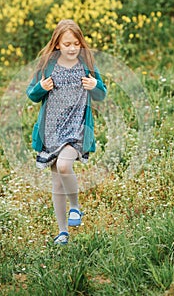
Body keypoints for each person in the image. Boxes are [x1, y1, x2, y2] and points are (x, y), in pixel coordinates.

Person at [26, 19, 107, 245]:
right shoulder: (47, 65)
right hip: (51, 131)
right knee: (57, 183)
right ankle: (63, 232)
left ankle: (75, 206)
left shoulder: (87, 63)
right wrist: (41, 88)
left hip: (77, 128)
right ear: (57, 45)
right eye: (67, 43)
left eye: (76, 43)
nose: (72, 48)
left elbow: (101, 94)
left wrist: (95, 87)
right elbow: (32, 94)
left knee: (64, 165)